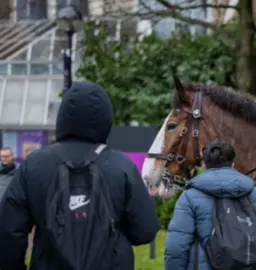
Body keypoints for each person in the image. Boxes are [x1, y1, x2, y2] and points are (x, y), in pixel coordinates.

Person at [0, 82, 160, 270]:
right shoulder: (122, 166)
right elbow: (145, 231)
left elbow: (8, 232)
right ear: (105, 118)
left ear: (63, 116)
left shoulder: (35, 164)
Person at [164, 140, 256, 270]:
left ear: (204, 165)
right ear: (233, 164)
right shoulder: (249, 191)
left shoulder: (189, 197)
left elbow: (176, 245)